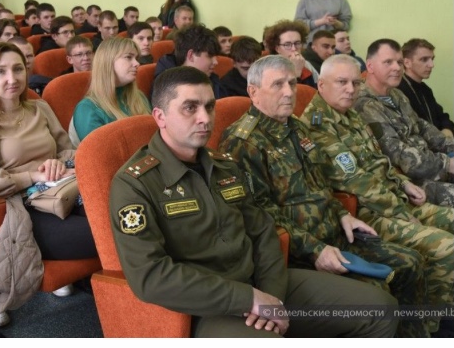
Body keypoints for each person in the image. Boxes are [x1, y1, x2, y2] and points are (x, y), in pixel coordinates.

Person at [110, 65, 398, 338]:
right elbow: (150, 276)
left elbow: (263, 232)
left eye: (209, 106)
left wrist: (270, 296)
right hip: (209, 306)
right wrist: (247, 299)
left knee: (381, 309)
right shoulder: (135, 183)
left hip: (263, 285)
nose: (205, 118)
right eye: (190, 107)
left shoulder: (224, 166)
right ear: (160, 116)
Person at [218, 55, 430, 337]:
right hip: (301, 252)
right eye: (278, 84)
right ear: (253, 91)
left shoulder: (296, 127)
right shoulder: (243, 142)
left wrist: (342, 214)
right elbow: (261, 214)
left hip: (335, 234)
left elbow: (320, 182)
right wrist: (315, 250)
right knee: (377, 294)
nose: (288, 92)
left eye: (292, 83)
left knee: (411, 263)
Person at [300, 54, 454, 335]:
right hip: (366, 214)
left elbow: (378, 162)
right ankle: (435, 327)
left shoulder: (351, 115)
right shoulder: (317, 125)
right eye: (342, 82)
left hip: (393, 200)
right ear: (321, 85)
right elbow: (357, 182)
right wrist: (402, 212)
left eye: (355, 83)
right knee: (446, 246)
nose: (351, 89)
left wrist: (403, 183)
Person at [0, 42, 98, 325]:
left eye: (18, 69)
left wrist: (59, 163)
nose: (12, 78)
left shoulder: (39, 107)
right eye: (1, 72)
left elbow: (66, 151)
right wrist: (32, 175)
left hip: (64, 190)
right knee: (104, 233)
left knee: (122, 216)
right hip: (26, 205)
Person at [354, 39, 454, 207]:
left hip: (431, 167)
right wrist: (447, 164)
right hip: (408, 182)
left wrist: (451, 147)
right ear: (370, 66)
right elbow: (397, 154)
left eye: (399, 62)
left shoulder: (397, 95)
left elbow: (422, 127)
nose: (397, 68)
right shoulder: (364, 104)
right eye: (388, 62)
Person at [70, 37, 150, 146]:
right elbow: (99, 153)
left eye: (136, 58)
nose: (137, 63)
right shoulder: (87, 109)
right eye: (128, 57)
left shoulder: (139, 96)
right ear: (108, 62)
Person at [399, 38, 454, 137]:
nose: (431, 65)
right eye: (424, 59)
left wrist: (447, 129)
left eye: (432, 59)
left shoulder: (425, 89)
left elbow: (442, 117)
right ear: (407, 63)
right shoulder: (399, 90)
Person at [154, 24, 226, 99]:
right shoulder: (166, 84)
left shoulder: (212, 79)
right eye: (210, 56)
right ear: (191, 55)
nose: (216, 62)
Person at [262, 19, 319, 88]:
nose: (294, 49)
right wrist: (296, 73)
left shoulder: (306, 64)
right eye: (287, 44)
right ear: (277, 48)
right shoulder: (270, 70)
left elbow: (316, 91)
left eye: (297, 43)